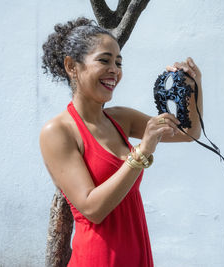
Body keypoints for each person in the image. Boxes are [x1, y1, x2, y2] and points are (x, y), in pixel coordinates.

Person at [39, 17, 203, 267]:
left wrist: (193, 87)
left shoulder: (121, 118)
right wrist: (142, 152)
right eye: (104, 60)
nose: (114, 70)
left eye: (118, 62)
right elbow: (92, 208)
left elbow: (188, 133)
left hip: (136, 254)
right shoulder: (57, 131)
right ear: (72, 66)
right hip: (98, 258)